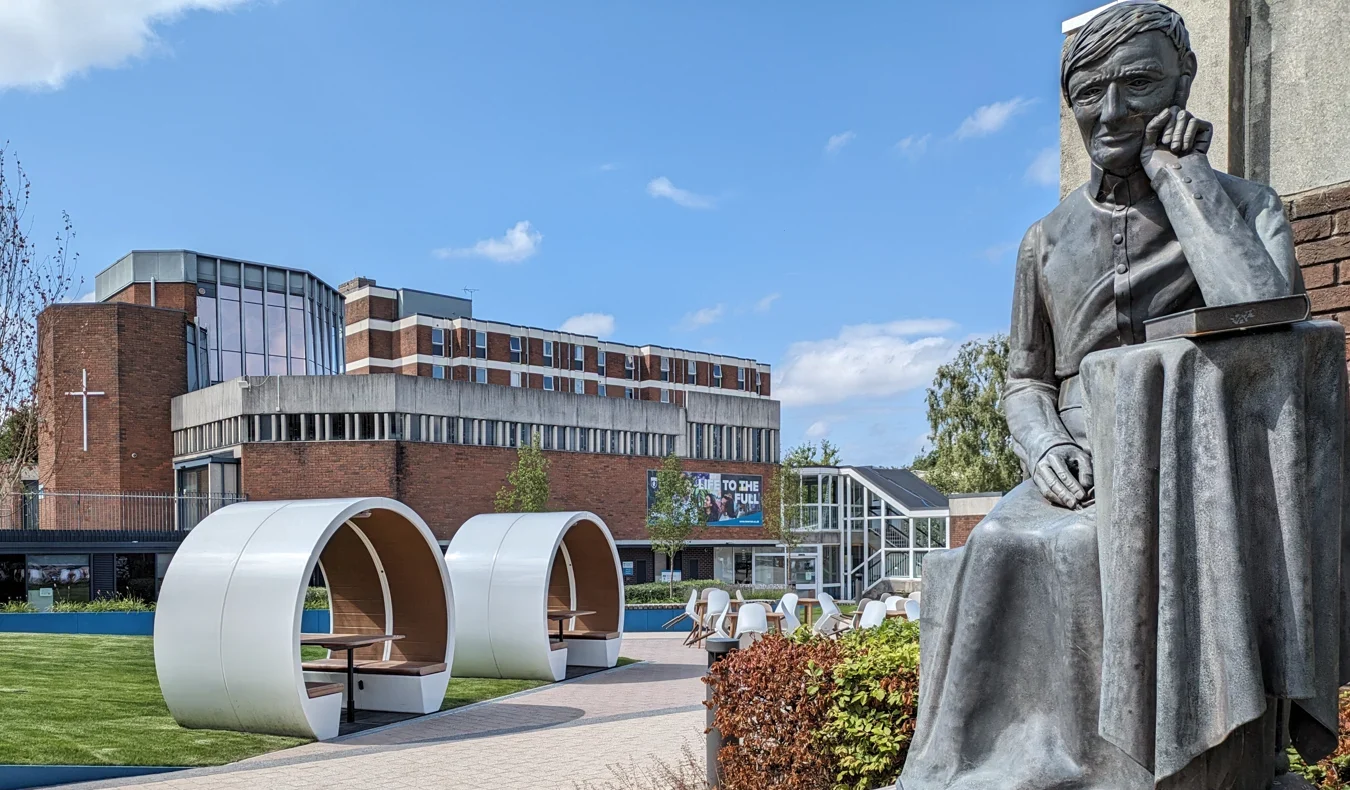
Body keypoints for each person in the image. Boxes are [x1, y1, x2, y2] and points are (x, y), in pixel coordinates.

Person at [899, 5, 1325, 789]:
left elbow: (1263, 315)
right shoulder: (1044, 239)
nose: (1113, 109)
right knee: (999, 546)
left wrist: (1183, 179)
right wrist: (1046, 444)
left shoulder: (1250, 205)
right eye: (1091, 90)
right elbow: (1025, 378)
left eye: (1139, 84)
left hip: (1201, 458)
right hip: (1079, 449)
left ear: (1183, 84)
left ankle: (1136, 771)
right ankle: (985, 765)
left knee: (1089, 552)